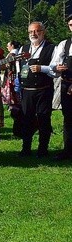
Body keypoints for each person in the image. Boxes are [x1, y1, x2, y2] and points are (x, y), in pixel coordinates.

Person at [18, 21, 55, 157]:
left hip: (43, 89)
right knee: (26, 120)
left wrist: (42, 68)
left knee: (44, 119)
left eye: (37, 31)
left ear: (43, 32)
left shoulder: (52, 48)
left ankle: (42, 150)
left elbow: (55, 69)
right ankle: (25, 149)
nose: (33, 34)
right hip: (26, 90)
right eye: (31, 32)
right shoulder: (24, 48)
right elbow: (20, 68)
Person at [51, 15, 72, 159]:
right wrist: (57, 68)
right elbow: (54, 63)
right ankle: (68, 150)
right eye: (71, 24)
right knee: (68, 118)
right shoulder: (64, 44)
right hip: (66, 85)